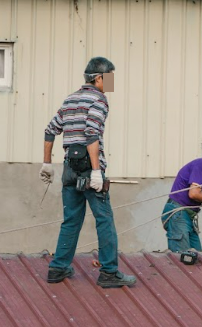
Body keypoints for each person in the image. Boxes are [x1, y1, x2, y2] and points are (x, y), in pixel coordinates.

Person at [39, 57, 137, 288]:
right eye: (110, 77)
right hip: (89, 168)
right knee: (104, 220)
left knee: (71, 221)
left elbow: (50, 130)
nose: (111, 83)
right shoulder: (99, 100)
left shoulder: (70, 99)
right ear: (99, 78)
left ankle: (58, 268)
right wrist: (96, 171)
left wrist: (47, 164)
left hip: (69, 170)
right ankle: (109, 272)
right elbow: (92, 133)